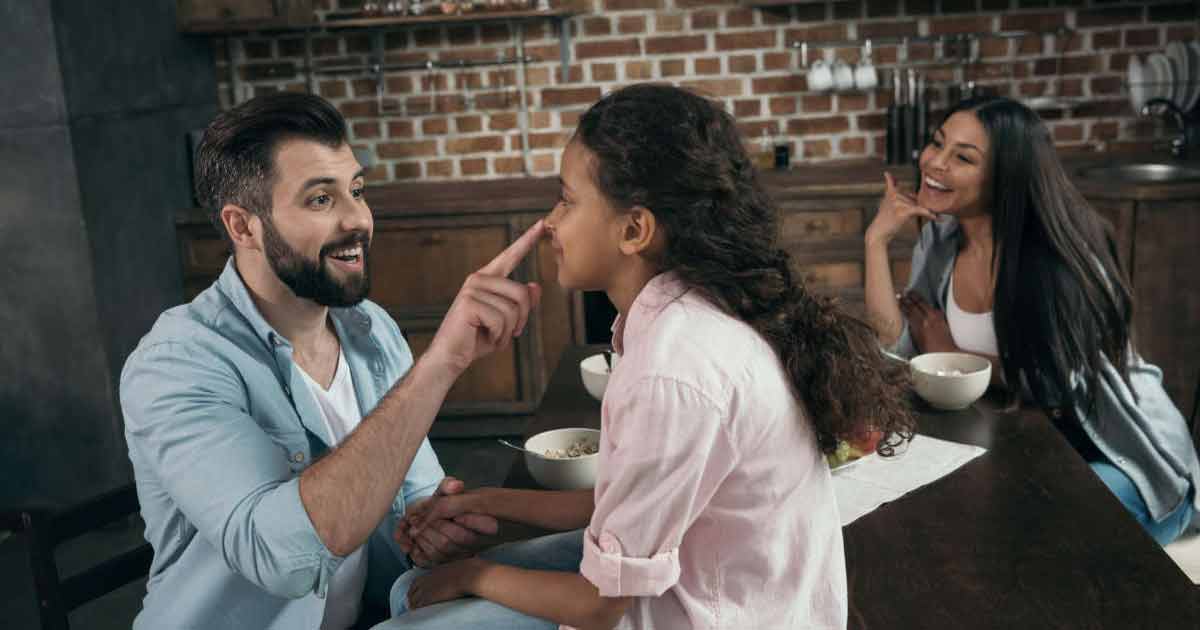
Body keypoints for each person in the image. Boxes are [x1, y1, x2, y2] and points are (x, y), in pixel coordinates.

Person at [374, 83, 916, 630]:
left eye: (567, 200)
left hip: (704, 612)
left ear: (634, 230)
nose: (550, 223)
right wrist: (483, 502)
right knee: (411, 588)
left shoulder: (674, 368)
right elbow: (618, 504)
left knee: (412, 608)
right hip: (689, 582)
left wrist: (472, 576)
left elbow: (599, 606)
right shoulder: (683, 314)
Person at [120, 92, 546, 629]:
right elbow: (282, 560)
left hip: (373, 616)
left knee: (573, 596)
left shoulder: (372, 330)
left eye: (357, 191)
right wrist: (441, 363)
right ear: (242, 226)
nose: (358, 220)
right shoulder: (177, 364)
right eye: (321, 200)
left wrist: (431, 528)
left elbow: (413, 500)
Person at [863, 95, 1200, 545]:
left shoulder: (1054, 258)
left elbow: (1057, 382)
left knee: (1037, 542)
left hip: (1126, 457)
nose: (934, 162)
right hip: (1036, 444)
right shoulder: (941, 243)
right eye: (937, 143)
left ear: (1005, 177)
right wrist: (875, 242)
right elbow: (900, 350)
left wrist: (954, 354)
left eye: (962, 157)